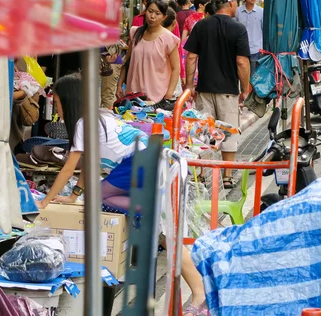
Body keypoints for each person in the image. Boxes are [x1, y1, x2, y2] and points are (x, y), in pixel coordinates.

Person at [37, 75, 208, 316]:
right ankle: (200, 292)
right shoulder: (96, 119)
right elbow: (88, 165)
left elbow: (70, 168)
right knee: (165, 234)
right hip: (154, 161)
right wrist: (75, 195)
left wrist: (44, 201)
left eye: (57, 102)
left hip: (144, 162)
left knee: (106, 196)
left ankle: (200, 292)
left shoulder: (84, 124)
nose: (56, 108)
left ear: (69, 100)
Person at [184, 0, 251, 189]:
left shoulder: (201, 26)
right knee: (228, 131)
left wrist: (189, 85)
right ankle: (227, 175)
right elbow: (242, 62)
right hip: (228, 91)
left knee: (204, 132)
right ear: (230, 4)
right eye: (236, 3)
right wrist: (245, 88)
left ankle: (203, 174)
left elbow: (191, 58)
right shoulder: (238, 28)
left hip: (204, 89)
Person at [117, 0, 181, 108]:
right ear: (145, 11)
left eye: (157, 13)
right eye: (150, 11)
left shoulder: (169, 39)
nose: (152, 16)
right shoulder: (135, 33)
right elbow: (127, 60)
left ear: (164, 17)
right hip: (133, 95)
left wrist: (168, 95)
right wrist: (119, 84)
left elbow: (176, 68)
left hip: (157, 98)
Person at [236, 0, 264, 73]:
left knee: (253, 77)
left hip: (256, 50)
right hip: (240, 49)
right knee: (240, 74)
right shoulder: (238, 11)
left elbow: (264, 30)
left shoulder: (261, 11)